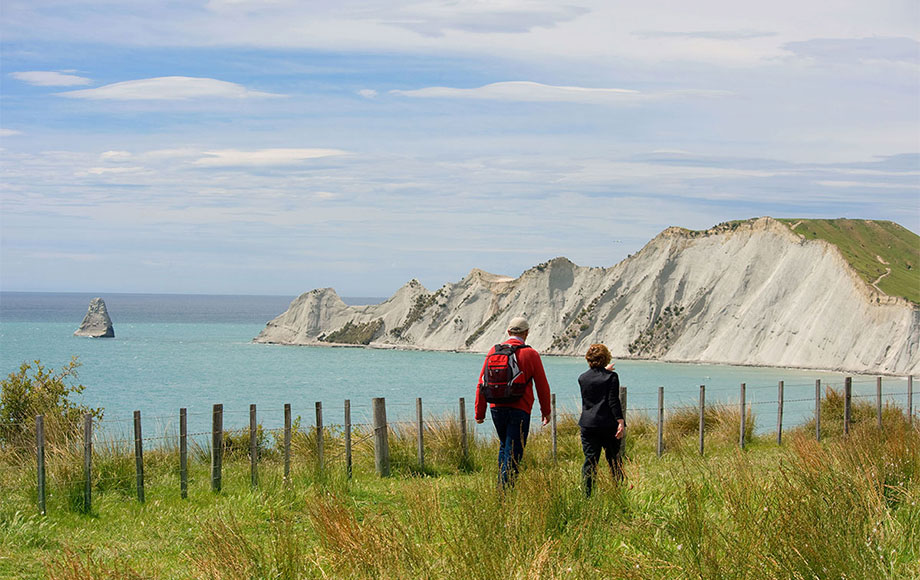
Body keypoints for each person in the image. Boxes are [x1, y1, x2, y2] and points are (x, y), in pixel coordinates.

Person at [475, 316, 552, 488]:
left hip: (496, 409)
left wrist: (480, 413)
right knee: (514, 452)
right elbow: (542, 385)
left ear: (508, 332)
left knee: (504, 446)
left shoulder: (493, 352)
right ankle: (505, 494)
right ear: (526, 333)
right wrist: (546, 411)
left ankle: (501, 488)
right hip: (520, 409)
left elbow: (481, 383)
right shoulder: (530, 354)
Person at [578, 343, 625, 496]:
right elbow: (613, 401)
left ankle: (587, 494)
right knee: (614, 459)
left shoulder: (582, 378)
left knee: (590, 461)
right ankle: (617, 490)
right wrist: (620, 421)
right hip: (608, 424)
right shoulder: (612, 377)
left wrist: (604, 371)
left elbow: (595, 377)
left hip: (588, 424)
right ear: (606, 358)